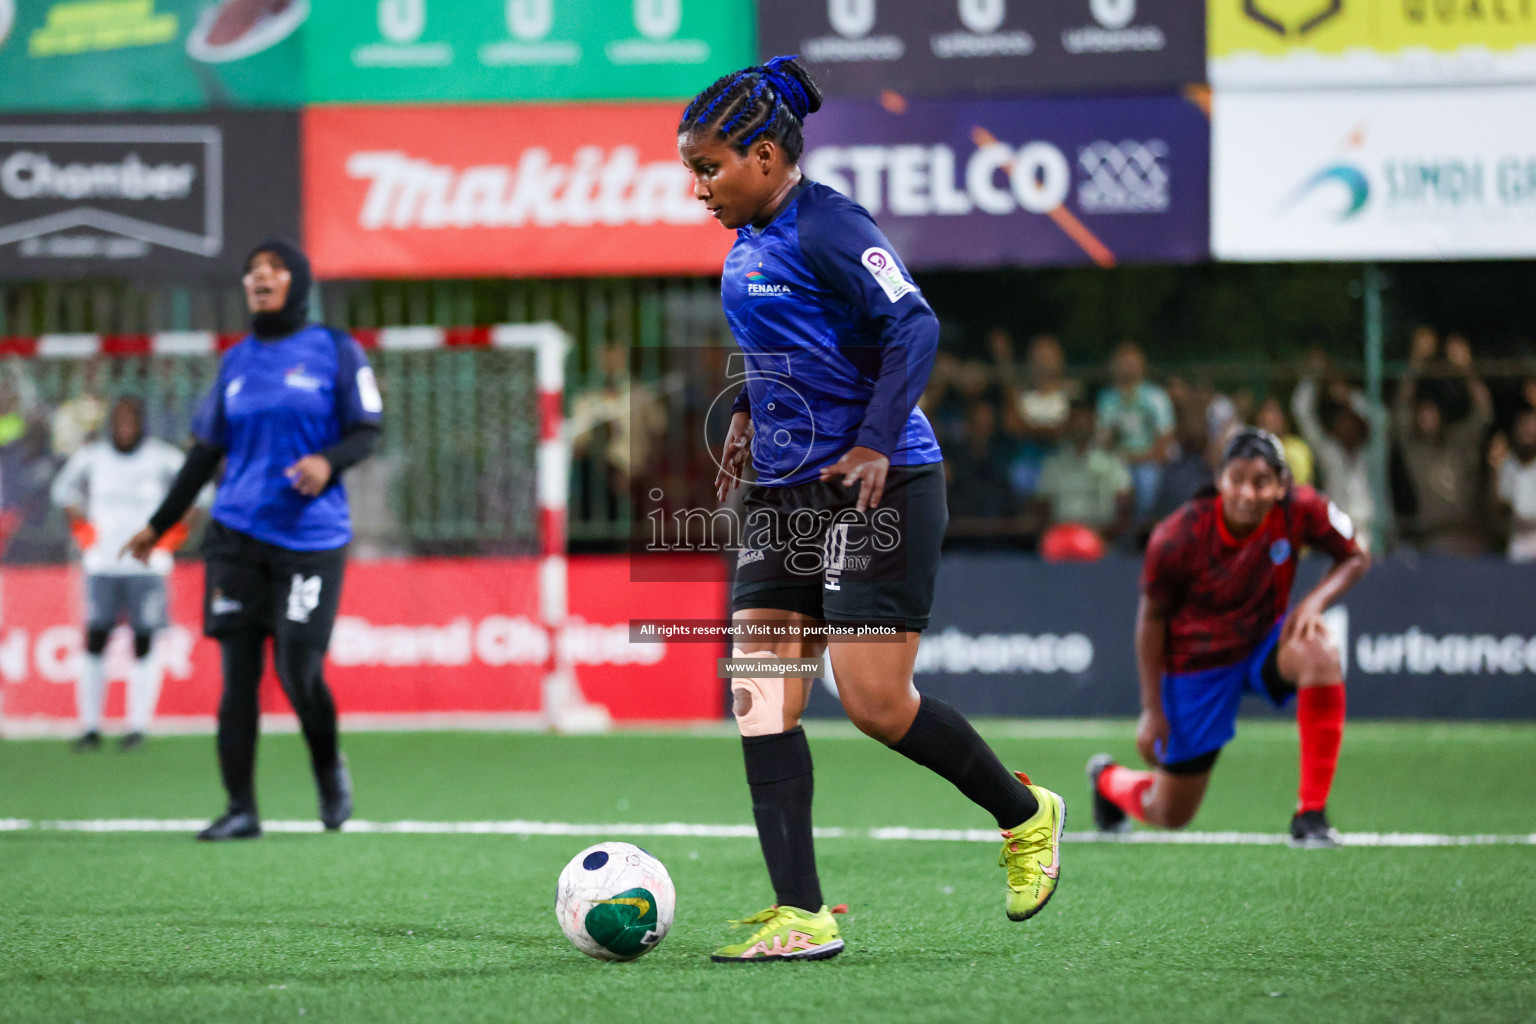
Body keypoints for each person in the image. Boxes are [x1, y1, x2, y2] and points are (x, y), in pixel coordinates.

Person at [680, 56, 1065, 962]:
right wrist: (744, 409)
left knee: (877, 705)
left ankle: (1026, 815)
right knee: (761, 690)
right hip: (784, 490)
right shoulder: (747, 239)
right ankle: (801, 913)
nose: (698, 189)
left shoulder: (831, 225)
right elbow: (799, 347)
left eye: (709, 168)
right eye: (692, 170)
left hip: (877, 482)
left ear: (766, 156)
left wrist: (877, 441)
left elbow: (914, 324)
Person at [123, 238, 382, 841]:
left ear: (299, 281)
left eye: (272, 268)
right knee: (238, 676)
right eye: (250, 270)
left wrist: (327, 461)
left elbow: (367, 431)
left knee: (298, 669)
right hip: (236, 537)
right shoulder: (236, 361)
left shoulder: (335, 350)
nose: (259, 277)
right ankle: (241, 809)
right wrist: (159, 525)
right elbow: (204, 453)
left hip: (311, 539)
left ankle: (327, 767)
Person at [1087, 429, 1370, 847]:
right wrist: (1152, 710)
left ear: (1281, 485)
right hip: (1196, 665)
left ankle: (1311, 815)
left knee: (1321, 652)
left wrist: (1313, 604)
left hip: (1263, 641)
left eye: (1261, 481)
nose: (1248, 493)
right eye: (1236, 479)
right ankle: (1107, 779)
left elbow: (1355, 555)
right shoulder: (1178, 535)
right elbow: (1151, 619)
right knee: (1169, 813)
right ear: (1219, 480)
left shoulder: (1301, 508)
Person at [50, 397, 192, 751]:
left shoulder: (161, 456)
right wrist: (81, 530)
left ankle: (137, 726)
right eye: (119, 419)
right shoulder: (93, 456)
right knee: (95, 639)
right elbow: (62, 491)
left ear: (142, 423)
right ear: (112, 423)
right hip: (102, 564)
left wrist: (175, 535)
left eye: (132, 419)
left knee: (144, 642)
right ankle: (91, 727)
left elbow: (200, 490)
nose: (125, 426)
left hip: (147, 566)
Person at [1393, 331, 1492, 555]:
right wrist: (1416, 361)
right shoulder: (1414, 449)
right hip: (1434, 540)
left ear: (1441, 416)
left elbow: (1483, 412)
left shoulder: (1460, 443)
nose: (1426, 417)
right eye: (1421, 412)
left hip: (1468, 536)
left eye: (1431, 412)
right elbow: (1400, 408)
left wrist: (1467, 369)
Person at [1095, 341, 1173, 522]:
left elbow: (1164, 442)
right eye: (1122, 363)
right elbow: (1103, 441)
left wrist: (1134, 458)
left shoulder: (1156, 396)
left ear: (1142, 366)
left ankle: (1139, 535)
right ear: (1113, 366)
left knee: (1147, 483)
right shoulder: (1107, 398)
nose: (1127, 369)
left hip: (1149, 461)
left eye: (1131, 363)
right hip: (1116, 461)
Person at [1036, 399, 1133, 543]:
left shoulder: (1111, 462)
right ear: (1067, 424)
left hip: (1100, 537)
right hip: (1060, 537)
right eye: (1076, 420)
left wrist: (1108, 533)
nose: (1080, 425)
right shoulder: (1054, 463)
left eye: (1086, 420)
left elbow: (1124, 501)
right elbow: (1043, 505)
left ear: (1094, 424)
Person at [1493, 407, 1536, 563]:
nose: (1528, 432)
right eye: (1524, 426)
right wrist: (1494, 468)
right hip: (1517, 543)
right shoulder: (1507, 464)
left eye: (1532, 427)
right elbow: (1500, 505)